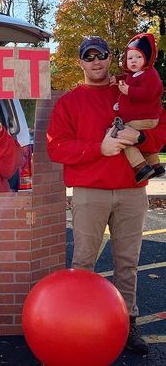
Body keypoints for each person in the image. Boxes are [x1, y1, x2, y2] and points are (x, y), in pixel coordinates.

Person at [47, 35, 166, 355]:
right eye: (89, 56)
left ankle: (128, 323)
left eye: (101, 55)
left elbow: (159, 127)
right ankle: (78, 324)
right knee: (84, 262)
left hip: (131, 191)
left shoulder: (130, 91)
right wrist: (96, 148)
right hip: (90, 193)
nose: (96, 61)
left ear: (111, 58)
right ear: (80, 61)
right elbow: (56, 146)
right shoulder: (69, 102)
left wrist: (140, 136)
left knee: (127, 262)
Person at [110, 33, 164, 182]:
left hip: (145, 117)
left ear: (146, 59)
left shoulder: (150, 74)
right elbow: (129, 78)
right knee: (133, 137)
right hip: (141, 117)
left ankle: (140, 167)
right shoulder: (135, 74)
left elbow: (151, 92)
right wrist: (118, 79)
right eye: (130, 58)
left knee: (122, 135)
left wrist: (129, 91)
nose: (134, 60)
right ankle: (156, 165)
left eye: (138, 57)